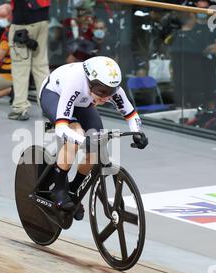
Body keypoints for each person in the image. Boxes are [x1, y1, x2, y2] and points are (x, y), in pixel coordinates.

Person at [39, 56, 148, 219]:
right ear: (89, 82)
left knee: (97, 144)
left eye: (109, 93)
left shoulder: (110, 88)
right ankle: (59, 188)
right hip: (54, 94)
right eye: (101, 92)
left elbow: (131, 114)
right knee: (76, 133)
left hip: (84, 102)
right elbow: (61, 128)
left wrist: (138, 132)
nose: (105, 97)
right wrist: (83, 140)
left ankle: (73, 189)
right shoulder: (75, 83)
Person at [8, 0, 50, 121]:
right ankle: (48, 106)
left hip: (24, 20)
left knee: (20, 68)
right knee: (41, 66)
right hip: (43, 18)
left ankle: (20, 108)